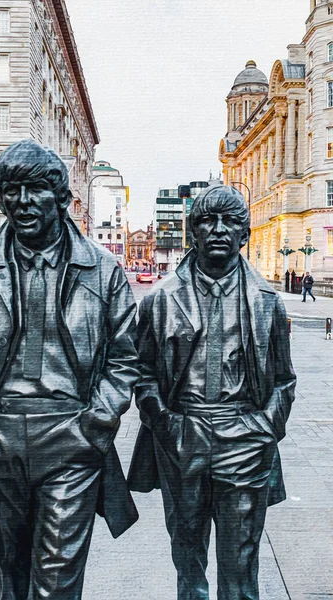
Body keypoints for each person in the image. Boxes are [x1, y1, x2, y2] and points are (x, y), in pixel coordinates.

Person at [0, 139, 140, 600]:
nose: (23, 201)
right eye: (11, 190)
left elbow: (125, 356)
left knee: (55, 583)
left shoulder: (103, 271)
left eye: (35, 189)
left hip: (71, 437)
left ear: (60, 196)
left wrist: (99, 419)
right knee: (11, 575)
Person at [128, 185, 296, 600]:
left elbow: (284, 380)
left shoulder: (267, 301)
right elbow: (141, 372)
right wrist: (167, 426)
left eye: (231, 222)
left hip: (245, 438)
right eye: (207, 221)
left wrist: (262, 429)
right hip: (183, 438)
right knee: (187, 559)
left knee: (241, 566)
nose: (219, 230)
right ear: (193, 233)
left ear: (245, 235)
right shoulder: (161, 299)